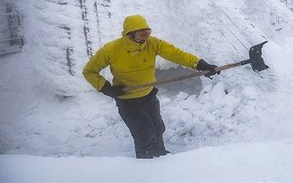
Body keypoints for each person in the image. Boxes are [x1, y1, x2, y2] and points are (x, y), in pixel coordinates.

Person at [82, 14, 218, 159]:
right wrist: (106, 88)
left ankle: (160, 155)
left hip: (148, 94)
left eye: (148, 32)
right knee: (144, 132)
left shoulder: (152, 43)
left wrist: (199, 64)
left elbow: (176, 54)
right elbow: (89, 71)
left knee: (158, 128)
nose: (146, 36)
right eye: (142, 33)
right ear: (129, 33)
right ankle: (146, 163)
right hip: (127, 99)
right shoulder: (111, 50)